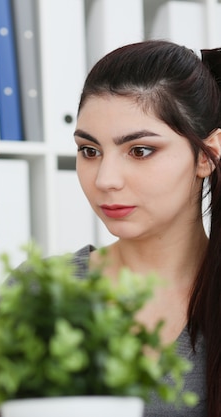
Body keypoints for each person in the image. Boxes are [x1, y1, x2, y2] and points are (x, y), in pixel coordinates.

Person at [71, 40, 221, 416]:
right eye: (90, 151)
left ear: (207, 154)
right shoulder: (41, 294)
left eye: (139, 151)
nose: (105, 180)